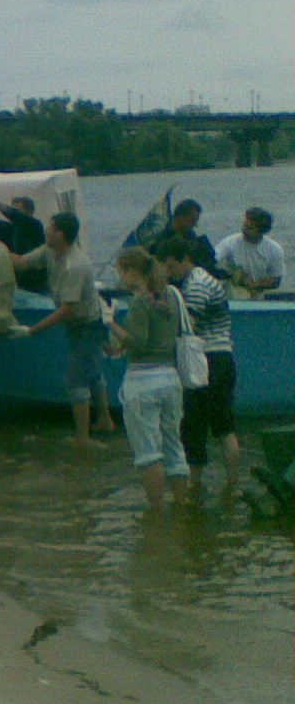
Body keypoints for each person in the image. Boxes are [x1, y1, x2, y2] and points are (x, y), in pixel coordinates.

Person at [11, 212, 117, 446]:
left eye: (50, 228)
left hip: (88, 324)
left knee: (75, 380)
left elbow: (67, 309)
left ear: (61, 234)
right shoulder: (48, 251)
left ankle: (82, 438)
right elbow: (20, 262)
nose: (46, 231)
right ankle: (105, 420)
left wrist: (33, 330)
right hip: (76, 323)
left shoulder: (75, 264)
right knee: (92, 371)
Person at [156, 236, 239, 504]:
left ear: (185, 260)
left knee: (202, 423)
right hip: (217, 358)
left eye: (170, 266)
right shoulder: (196, 280)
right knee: (216, 424)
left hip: (209, 360)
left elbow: (187, 324)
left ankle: (204, 483)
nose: (169, 272)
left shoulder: (197, 284)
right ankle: (227, 485)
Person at [108, 247, 187, 509]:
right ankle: (181, 507)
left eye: (121, 272)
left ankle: (157, 513)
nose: (121, 279)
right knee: (174, 446)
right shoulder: (172, 294)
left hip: (143, 380)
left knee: (148, 452)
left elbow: (138, 343)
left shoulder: (140, 301)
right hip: (171, 377)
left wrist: (110, 324)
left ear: (132, 271)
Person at [0, 192, 48, 292]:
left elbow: (15, 215)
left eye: (17, 210)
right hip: (19, 282)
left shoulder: (35, 225)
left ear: (29, 213)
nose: (12, 215)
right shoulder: (10, 228)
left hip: (37, 281)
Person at [216, 206, 284, 299]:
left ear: (261, 231)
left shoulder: (274, 250)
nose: (245, 229)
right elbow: (214, 259)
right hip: (232, 291)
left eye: (250, 227)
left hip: (259, 294)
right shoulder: (230, 243)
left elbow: (276, 280)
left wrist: (255, 285)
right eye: (245, 225)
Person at [150, 199, 219, 275]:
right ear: (180, 217)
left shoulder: (192, 237)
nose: (194, 225)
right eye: (192, 220)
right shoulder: (163, 238)